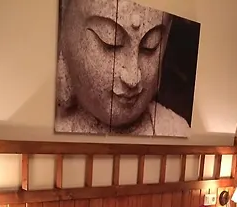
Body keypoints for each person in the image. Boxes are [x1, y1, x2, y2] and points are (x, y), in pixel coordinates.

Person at [55, 0, 190, 137]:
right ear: (63, 33)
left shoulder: (176, 131)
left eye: (150, 46)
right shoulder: (50, 129)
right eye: (111, 43)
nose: (132, 78)